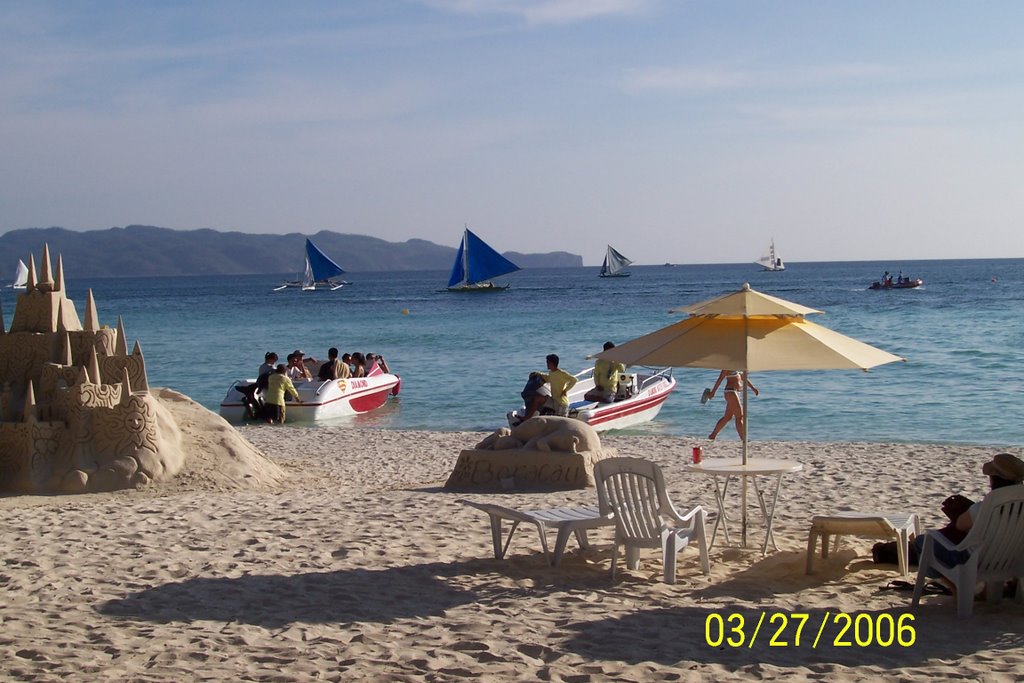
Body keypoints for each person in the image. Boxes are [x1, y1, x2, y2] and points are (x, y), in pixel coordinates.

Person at [913, 453, 1024, 584]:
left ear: (993, 480)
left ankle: (956, 589)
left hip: (976, 563)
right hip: (1011, 562)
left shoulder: (983, 509)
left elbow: (960, 525)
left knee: (922, 541)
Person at [707, 369, 759, 441]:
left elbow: (744, 378)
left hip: (736, 393)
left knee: (727, 417)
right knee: (739, 416)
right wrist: (713, 392)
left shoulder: (738, 367)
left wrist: (753, 388)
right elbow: (719, 379)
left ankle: (712, 435)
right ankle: (743, 439)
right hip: (731, 391)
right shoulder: (727, 367)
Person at [522, 354, 578, 420]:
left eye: (548, 362)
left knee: (558, 421)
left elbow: (574, 380)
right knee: (537, 399)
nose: (547, 364)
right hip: (553, 400)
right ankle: (527, 418)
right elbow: (548, 378)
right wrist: (537, 373)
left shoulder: (561, 373)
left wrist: (565, 390)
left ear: (552, 363)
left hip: (561, 404)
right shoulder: (551, 373)